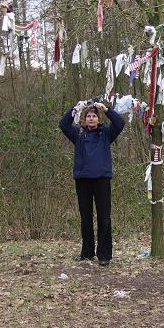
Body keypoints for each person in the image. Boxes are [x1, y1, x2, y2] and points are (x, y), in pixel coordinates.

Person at [59, 101, 125, 266]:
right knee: (85, 218)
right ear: (84, 119)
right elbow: (63, 124)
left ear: (98, 118)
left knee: (104, 217)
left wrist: (106, 109)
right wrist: (75, 108)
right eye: (88, 116)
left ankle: (104, 255)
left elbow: (120, 123)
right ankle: (87, 252)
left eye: (94, 116)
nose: (91, 118)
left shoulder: (106, 134)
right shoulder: (78, 134)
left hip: (102, 179)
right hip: (83, 180)